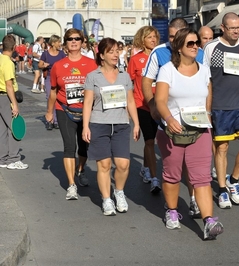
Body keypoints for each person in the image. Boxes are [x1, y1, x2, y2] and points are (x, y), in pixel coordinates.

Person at [155, 28, 223, 239]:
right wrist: (169, 119)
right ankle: (172, 211)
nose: (195, 47)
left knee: (201, 177)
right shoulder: (167, 70)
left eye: (196, 43)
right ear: (179, 47)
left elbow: (207, 92)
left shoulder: (203, 69)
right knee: (172, 174)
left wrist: (208, 114)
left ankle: (209, 221)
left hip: (200, 130)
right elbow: (160, 100)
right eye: (190, 44)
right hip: (172, 131)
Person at [142, 18, 203, 214]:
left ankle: (194, 199)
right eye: (169, 36)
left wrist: (208, 112)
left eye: (174, 35)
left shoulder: (198, 52)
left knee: (193, 165)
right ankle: (172, 209)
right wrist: (152, 105)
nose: (171, 40)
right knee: (175, 166)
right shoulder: (159, 52)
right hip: (169, 118)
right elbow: (146, 81)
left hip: (195, 119)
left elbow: (208, 83)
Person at [203, 12, 239, 209]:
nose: (237, 31)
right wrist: (207, 110)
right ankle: (221, 189)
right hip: (220, 107)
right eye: (232, 28)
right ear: (223, 29)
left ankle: (233, 181)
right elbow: (206, 80)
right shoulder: (211, 48)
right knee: (222, 148)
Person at [82, 38, 140, 216]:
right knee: (104, 164)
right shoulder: (93, 76)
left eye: (117, 51)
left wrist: (136, 123)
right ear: (102, 55)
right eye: (111, 52)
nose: (116, 55)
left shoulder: (124, 76)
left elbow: (130, 101)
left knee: (123, 164)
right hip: (99, 123)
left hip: (121, 124)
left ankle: (119, 192)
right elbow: (88, 102)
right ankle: (107, 199)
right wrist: (86, 126)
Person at [45, 28, 97, 200]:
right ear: (65, 43)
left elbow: (98, 88)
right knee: (69, 147)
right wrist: (49, 111)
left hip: (86, 111)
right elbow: (53, 90)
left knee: (84, 146)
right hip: (64, 109)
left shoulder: (91, 64)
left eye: (77, 39)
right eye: (69, 39)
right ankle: (71, 184)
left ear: (82, 42)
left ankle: (80, 169)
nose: (73, 41)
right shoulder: (58, 66)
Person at [127, 25, 161, 193]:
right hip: (142, 104)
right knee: (149, 140)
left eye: (155, 37)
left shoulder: (163, 57)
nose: (153, 40)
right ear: (142, 40)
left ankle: (145, 166)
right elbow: (129, 84)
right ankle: (151, 174)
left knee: (155, 140)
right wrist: (128, 108)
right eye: (149, 37)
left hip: (160, 104)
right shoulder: (136, 60)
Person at [0, 35, 28, 170]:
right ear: (13, 47)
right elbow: (9, 85)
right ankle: (13, 159)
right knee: (15, 127)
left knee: (2, 130)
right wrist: (14, 104)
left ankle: (3, 158)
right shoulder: (7, 63)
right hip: (6, 97)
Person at [39, 34, 66, 130]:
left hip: (59, 78)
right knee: (49, 97)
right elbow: (40, 64)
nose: (60, 44)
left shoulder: (62, 53)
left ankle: (56, 121)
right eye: (58, 42)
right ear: (53, 43)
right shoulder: (45, 54)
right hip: (49, 77)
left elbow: (66, 64)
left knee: (58, 98)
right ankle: (50, 120)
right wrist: (44, 65)